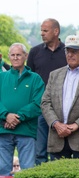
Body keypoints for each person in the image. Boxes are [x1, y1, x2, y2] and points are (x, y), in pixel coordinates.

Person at [0, 43, 44, 178]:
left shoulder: (35, 79)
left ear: (25, 56)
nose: (16, 58)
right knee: (2, 169)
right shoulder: (1, 78)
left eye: (19, 55)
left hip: (26, 131)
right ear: (8, 57)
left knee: (27, 170)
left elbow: (38, 103)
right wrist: (5, 115)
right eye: (12, 55)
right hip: (3, 130)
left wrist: (17, 117)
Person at [26, 18, 66, 163]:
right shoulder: (34, 52)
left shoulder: (67, 53)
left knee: (58, 151)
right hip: (40, 108)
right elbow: (28, 79)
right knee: (39, 151)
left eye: (45, 30)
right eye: (41, 30)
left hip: (62, 108)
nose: (42, 34)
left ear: (56, 31)